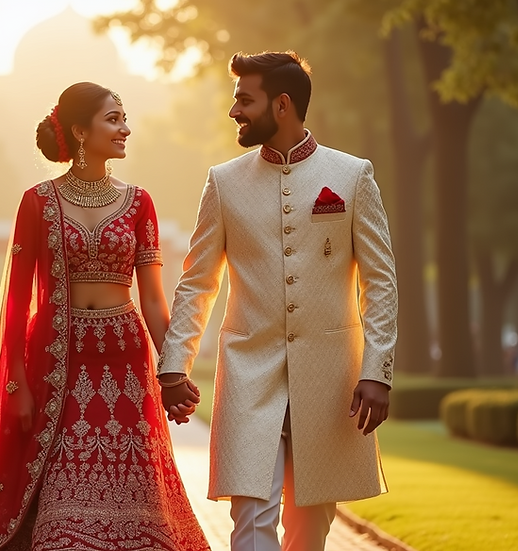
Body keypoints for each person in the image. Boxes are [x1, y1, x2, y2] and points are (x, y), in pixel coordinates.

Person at [0, 83, 209, 551]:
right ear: (81, 131)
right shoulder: (38, 201)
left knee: (138, 497)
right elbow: (16, 302)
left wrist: (173, 371)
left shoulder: (140, 202)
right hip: (57, 364)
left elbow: (152, 302)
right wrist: (17, 384)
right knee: (60, 513)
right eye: (114, 119)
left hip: (126, 365)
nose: (126, 129)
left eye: (125, 118)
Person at [157, 51, 398, 551]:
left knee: (309, 533)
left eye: (244, 99)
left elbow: (381, 282)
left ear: (282, 105)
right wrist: (174, 364)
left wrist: (376, 370)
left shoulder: (352, 177)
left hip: (331, 381)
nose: (234, 111)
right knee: (250, 525)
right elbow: (198, 281)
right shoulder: (223, 182)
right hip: (248, 376)